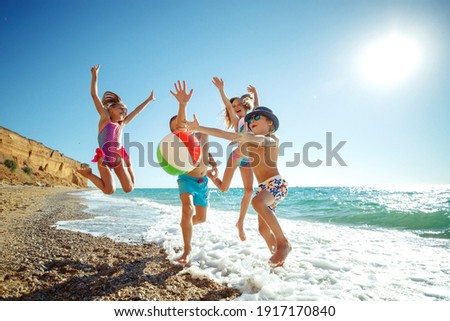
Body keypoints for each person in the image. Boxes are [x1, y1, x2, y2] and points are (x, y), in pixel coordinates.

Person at [187, 106, 291, 267]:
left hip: (277, 184)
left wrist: (246, 137)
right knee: (263, 230)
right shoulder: (243, 149)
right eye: (249, 120)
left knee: (256, 202)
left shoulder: (272, 138)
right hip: (264, 190)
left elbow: (264, 141)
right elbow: (224, 136)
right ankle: (278, 261)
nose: (251, 121)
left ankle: (283, 243)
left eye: (257, 118)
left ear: (269, 122)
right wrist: (215, 179)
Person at [77, 64, 155, 194]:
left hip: (118, 158)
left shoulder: (122, 124)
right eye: (122, 109)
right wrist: (95, 76)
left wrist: (148, 100)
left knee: (129, 188)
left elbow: (136, 111)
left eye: (126, 111)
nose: (124, 113)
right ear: (111, 109)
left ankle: (129, 165)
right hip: (104, 159)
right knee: (109, 190)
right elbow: (94, 95)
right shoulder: (105, 118)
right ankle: (88, 174)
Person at [169, 80, 217, 265]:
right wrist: (183, 104)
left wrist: (212, 164)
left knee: (201, 218)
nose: (182, 124)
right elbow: (182, 127)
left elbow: (205, 152)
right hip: (187, 179)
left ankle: (185, 225)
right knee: (187, 209)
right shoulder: (180, 139)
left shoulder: (202, 134)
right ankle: (187, 251)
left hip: (203, 182)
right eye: (178, 125)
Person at [209, 77, 259, 241]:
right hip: (237, 154)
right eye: (234, 105)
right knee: (225, 188)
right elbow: (227, 105)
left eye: (239, 105)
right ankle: (212, 177)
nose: (236, 107)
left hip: (249, 159)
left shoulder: (253, 118)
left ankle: (240, 224)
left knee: (248, 191)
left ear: (245, 106)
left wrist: (255, 93)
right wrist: (221, 89)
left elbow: (258, 108)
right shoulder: (238, 121)